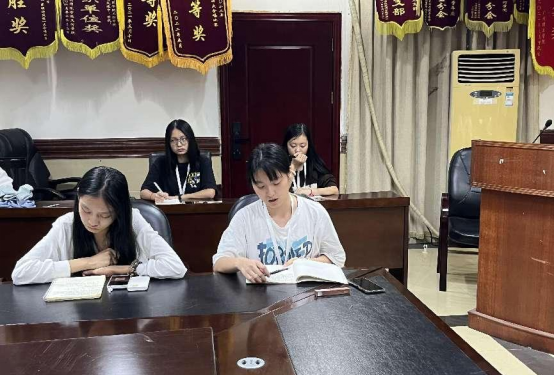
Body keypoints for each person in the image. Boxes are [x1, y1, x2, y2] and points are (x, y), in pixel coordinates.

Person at [12, 167, 187, 285]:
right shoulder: (66, 224)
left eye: (105, 215)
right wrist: (88, 262)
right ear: (78, 198)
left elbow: (175, 267)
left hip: (129, 310)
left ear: (119, 210)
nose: (93, 221)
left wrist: (124, 269)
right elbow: (21, 273)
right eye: (86, 210)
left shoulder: (133, 220)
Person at [213, 143, 345, 283]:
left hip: (307, 293)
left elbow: (337, 258)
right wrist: (239, 262)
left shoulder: (314, 212)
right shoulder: (245, 217)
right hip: (260, 294)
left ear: (289, 174)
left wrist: (305, 264)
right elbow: (219, 262)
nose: (270, 193)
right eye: (261, 186)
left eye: (276, 183)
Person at [140, 119, 217, 203]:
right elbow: (143, 192)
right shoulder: (161, 162)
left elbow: (210, 192)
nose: (179, 144)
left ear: (190, 139)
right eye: (173, 140)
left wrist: (179, 198)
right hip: (168, 209)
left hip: (196, 209)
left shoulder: (202, 161)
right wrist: (154, 196)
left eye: (183, 139)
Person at [282, 123, 339, 197]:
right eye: (293, 146)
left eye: (302, 146)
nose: (298, 150)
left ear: (309, 145)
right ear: (286, 145)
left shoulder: (314, 164)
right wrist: (293, 166)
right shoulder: (279, 165)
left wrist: (310, 191)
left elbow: (334, 190)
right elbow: (279, 191)